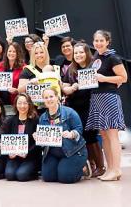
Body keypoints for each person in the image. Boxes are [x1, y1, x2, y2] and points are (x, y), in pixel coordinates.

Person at [86, 30, 128, 181]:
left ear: (107, 41)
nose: (98, 43)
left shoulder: (113, 57)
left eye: (101, 41)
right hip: (96, 97)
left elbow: (123, 78)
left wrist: (104, 78)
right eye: (96, 40)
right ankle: (110, 168)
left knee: (112, 135)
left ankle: (116, 169)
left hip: (109, 98)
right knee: (104, 135)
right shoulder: (96, 57)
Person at [62, 42, 105, 178]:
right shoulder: (71, 69)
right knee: (81, 137)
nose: (78, 55)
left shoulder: (94, 67)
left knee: (91, 136)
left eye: (81, 52)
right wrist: (73, 87)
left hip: (90, 105)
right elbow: (65, 88)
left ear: (87, 53)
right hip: (74, 107)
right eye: (76, 53)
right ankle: (90, 164)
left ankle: (100, 166)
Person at [35, 88, 87, 184]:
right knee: (48, 177)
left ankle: (82, 169)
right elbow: (44, 140)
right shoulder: (42, 118)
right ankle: (62, 167)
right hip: (53, 153)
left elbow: (79, 129)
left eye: (51, 96)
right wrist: (38, 137)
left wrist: (72, 134)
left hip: (73, 151)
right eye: (46, 97)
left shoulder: (69, 112)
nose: (49, 99)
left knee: (66, 178)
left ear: (57, 97)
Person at [3, 93, 41, 181]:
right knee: (9, 175)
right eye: (19, 103)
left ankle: (34, 172)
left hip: (30, 156)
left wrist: (27, 152)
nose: (22, 106)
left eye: (25, 103)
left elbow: (38, 143)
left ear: (29, 104)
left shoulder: (35, 120)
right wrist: (9, 152)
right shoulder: (10, 121)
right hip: (14, 156)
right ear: (16, 104)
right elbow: (5, 139)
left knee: (21, 175)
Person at [0, 42, 26, 106]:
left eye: (14, 51)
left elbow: (25, 87)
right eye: (9, 51)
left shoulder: (24, 67)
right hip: (0, 102)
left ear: (18, 53)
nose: (11, 53)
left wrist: (17, 90)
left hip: (16, 102)